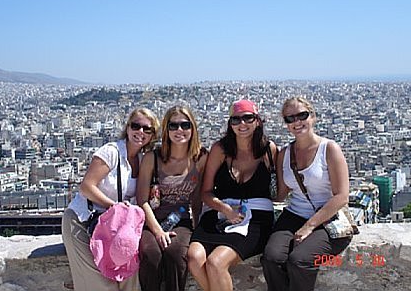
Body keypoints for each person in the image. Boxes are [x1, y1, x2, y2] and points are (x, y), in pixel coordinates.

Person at [62, 108, 159, 291]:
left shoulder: (143, 158)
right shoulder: (111, 152)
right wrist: (116, 207)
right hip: (84, 221)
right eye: (136, 126)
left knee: (129, 278)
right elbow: (87, 186)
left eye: (147, 129)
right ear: (127, 127)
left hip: (117, 228)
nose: (141, 132)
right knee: (101, 284)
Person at [261, 96, 352, 291]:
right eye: (290, 119)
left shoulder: (329, 149)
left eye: (302, 115)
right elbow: (281, 195)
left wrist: (309, 226)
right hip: (294, 214)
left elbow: (342, 196)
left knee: (299, 260)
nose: (297, 122)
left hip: (329, 218)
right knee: (271, 258)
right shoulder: (284, 154)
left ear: (313, 117)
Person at [188, 99, 277, 291]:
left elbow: (281, 191)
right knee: (194, 258)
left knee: (215, 263)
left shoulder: (268, 150)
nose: (242, 124)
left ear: (258, 121)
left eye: (247, 118)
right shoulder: (220, 150)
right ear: (230, 124)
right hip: (220, 213)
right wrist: (225, 209)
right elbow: (205, 192)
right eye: (236, 120)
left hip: (256, 219)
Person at [137, 105, 207, 291]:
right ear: (166, 129)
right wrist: (158, 231)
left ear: (193, 128)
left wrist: (198, 227)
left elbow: (198, 198)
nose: (179, 130)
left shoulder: (200, 157)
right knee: (151, 255)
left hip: (181, 220)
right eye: (173, 125)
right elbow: (142, 200)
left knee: (177, 255)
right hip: (151, 220)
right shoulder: (152, 158)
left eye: (185, 125)